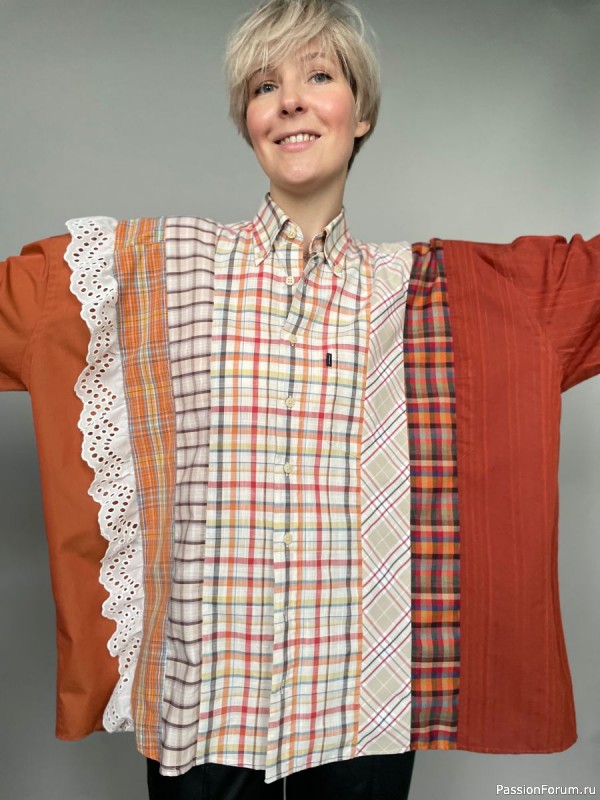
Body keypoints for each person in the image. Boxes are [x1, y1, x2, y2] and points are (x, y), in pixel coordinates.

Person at [0, 1, 598, 798]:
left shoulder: (438, 294)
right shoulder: (156, 270)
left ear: (362, 113)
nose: (288, 101)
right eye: (263, 86)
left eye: (318, 76)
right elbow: (22, 313)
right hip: (205, 704)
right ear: (248, 122)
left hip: (362, 707)